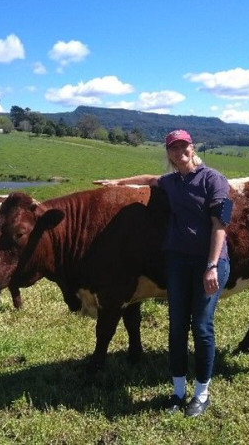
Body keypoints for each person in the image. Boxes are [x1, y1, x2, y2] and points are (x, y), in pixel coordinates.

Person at [93, 129, 231, 417]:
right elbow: (148, 179)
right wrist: (117, 182)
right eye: (173, 148)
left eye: (184, 146)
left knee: (202, 327)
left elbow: (222, 224)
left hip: (209, 263)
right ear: (168, 153)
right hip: (178, 262)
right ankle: (178, 392)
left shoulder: (215, 179)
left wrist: (212, 265)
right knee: (177, 326)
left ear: (192, 148)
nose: (179, 151)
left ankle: (201, 394)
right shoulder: (171, 181)